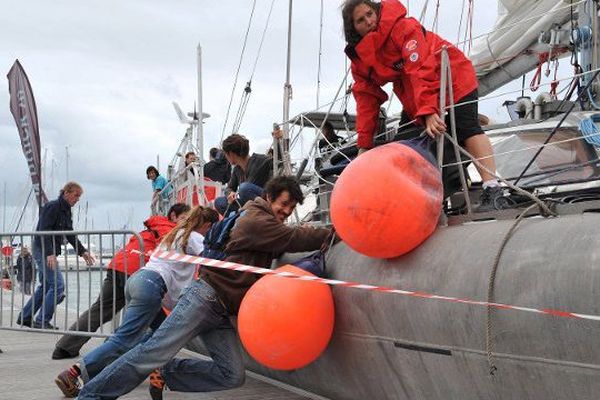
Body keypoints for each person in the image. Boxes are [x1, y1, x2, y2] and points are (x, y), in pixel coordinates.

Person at [75, 176, 332, 400]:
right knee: (150, 353)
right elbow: (293, 238)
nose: (287, 210)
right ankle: (91, 395)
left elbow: (280, 242)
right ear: (268, 197)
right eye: (284, 203)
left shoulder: (261, 221)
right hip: (205, 298)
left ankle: (167, 371)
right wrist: (334, 232)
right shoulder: (256, 220)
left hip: (220, 309)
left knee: (232, 374)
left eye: (291, 207)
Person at [342, 0, 503, 211]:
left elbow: (420, 68)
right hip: (413, 91)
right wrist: (364, 145)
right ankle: (421, 200)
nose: (369, 21)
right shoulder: (361, 57)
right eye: (360, 20)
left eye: (370, 14)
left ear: (377, 11)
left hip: (452, 76)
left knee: (466, 127)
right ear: (353, 28)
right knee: (405, 144)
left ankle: (493, 189)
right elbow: (365, 99)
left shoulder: (404, 27)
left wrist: (428, 112)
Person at [55, 206, 219, 398]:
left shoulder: (175, 233)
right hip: (150, 285)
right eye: (212, 230)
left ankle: (158, 371)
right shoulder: (194, 237)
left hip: (138, 281)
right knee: (125, 338)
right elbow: (212, 259)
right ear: (208, 226)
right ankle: (74, 372)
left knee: (161, 334)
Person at [51, 203, 191, 360]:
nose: (188, 222)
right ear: (173, 216)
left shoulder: (151, 227)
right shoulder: (169, 229)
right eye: (185, 218)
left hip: (118, 265)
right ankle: (109, 355)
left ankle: (65, 347)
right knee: (149, 320)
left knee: (101, 309)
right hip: (137, 271)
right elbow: (174, 249)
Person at [16, 182, 95, 330]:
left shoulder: (66, 211)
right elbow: (43, 231)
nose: (77, 199)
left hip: (47, 250)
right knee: (58, 286)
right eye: (76, 195)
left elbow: (70, 234)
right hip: (43, 249)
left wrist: (82, 251)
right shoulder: (52, 207)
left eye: (79, 197)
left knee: (46, 286)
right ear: (66, 193)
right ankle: (42, 320)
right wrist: (49, 254)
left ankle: (25, 317)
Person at [214, 134, 272, 215]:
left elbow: (279, 160)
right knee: (219, 202)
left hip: (265, 202)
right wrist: (230, 193)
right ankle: (240, 221)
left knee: (244, 188)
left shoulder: (261, 160)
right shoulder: (237, 170)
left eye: (226, 154)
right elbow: (229, 188)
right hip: (247, 205)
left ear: (231, 154)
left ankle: (252, 216)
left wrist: (279, 139)